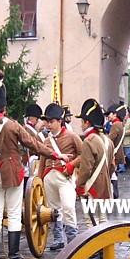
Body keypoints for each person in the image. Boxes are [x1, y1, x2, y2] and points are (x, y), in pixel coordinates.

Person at [0, 70, 70, 259]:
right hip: (12, 174)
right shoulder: (13, 126)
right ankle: (13, 256)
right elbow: (34, 144)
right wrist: (56, 155)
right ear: (4, 107)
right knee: (14, 213)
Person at [38, 103, 83, 249]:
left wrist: (71, 165)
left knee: (68, 207)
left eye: (51, 122)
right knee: (53, 210)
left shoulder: (72, 137)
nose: (48, 125)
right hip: (49, 178)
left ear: (59, 121)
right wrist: (39, 180)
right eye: (47, 122)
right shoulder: (46, 141)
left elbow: (83, 154)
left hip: (64, 178)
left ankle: (72, 241)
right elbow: (42, 162)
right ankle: (58, 239)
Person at [75, 98, 114, 226]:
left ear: (87, 122)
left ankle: (97, 247)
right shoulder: (108, 141)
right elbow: (112, 166)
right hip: (105, 187)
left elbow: (86, 169)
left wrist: (80, 186)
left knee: (91, 222)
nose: (81, 125)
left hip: (92, 188)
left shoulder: (89, 141)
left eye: (82, 122)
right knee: (103, 220)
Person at [22, 103, 44, 179]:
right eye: (37, 119)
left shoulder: (24, 129)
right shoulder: (31, 131)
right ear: (34, 118)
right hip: (30, 166)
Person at [106, 103, 126, 173]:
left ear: (115, 114)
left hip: (114, 153)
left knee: (111, 174)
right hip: (117, 152)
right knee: (113, 174)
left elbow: (110, 140)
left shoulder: (115, 125)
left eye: (109, 114)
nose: (108, 116)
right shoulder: (120, 124)